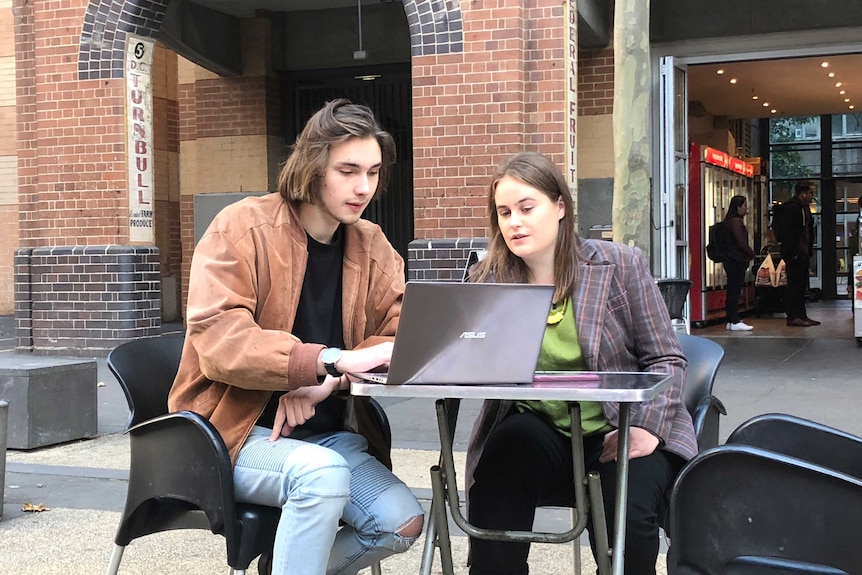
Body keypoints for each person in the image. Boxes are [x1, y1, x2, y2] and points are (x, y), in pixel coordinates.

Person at [168, 99, 424, 575]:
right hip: (232, 434)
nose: (363, 187)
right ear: (312, 166)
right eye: (347, 170)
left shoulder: (372, 244)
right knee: (321, 478)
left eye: (372, 172)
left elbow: (400, 333)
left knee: (401, 520)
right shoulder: (242, 226)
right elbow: (219, 340)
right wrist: (323, 359)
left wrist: (331, 380)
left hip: (326, 434)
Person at [464, 152, 697, 575]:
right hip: (542, 426)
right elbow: (469, 359)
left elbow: (665, 356)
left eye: (526, 208)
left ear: (559, 207)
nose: (514, 221)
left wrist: (648, 426)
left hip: (622, 422)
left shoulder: (619, 264)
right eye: (504, 212)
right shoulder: (489, 280)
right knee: (497, 471)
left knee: (627, 515)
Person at [778, 181, 820, 327]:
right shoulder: (792, 208)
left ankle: (801, 314)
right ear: (803, 193)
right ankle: (793, 316)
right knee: (794, 285)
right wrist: (794, 253)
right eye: (811, 193)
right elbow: (788, 232)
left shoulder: (804, 208)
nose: (812, 196)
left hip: (802, 252)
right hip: (796, 253)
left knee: (801, 285)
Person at [723, 195, 756, 331]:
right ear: (738, 207)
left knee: (732, 290)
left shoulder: (728, 221)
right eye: (744, 206)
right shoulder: (736, 222)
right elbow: (741, 242)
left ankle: (731, 320)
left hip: (730, 259)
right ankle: (734, 320)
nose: (746, 209)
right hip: (735, 260)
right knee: (734, 291)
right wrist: (751, 253)